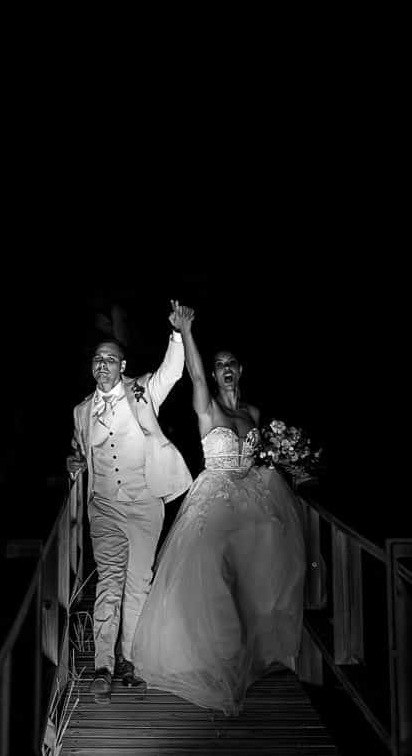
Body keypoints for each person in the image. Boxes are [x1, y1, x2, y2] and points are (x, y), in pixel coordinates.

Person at [130, 326, 307, 715]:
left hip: (253, 500)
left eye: (231, 364)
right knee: (210, 574)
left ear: (241, 370)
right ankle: (214, 659)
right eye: (219, 365)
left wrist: (291, 463)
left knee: (259, 571)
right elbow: (193, 374)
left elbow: (263, 459)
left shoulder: (254, 413)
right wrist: (186, 331)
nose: (225, 369)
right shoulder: (208, 408)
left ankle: (252, 655)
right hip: (215, 497)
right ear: (213, 374)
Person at [66, 301, 194, 702]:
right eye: (97, 359)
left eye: (111, 359)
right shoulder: (81, 411)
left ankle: (129, 660)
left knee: (139, 583)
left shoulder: (142, 390)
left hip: (143, 503)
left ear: (123, 366)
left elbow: (173, 371)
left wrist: (178, 333)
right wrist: (74, 461)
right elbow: (80, 452)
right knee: (109, 582)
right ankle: (102, 665)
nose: (103, 364)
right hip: (103, 505)